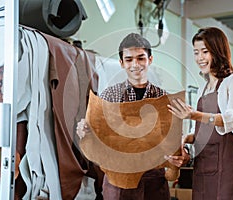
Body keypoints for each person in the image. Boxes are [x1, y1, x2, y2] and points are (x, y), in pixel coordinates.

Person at [76, 32, 189, 200]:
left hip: (154, 182)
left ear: (150, 60)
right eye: (129, 59)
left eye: (141, 58)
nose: (135, 64)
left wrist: (182, 154)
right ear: (122, 63)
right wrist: (84, 131)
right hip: (118, 180)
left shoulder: (164, 99)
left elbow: (174, 141)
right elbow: (97, 139)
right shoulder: (109, 96)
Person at [167, 27, 233, 199]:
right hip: (204, 163)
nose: (199, 58)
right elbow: (203, 131)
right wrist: (185, 139)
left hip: (228, 163)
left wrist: (195, 115)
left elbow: (231, 119)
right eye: (196, 52)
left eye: (205, 51)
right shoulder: (202, 89)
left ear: (218, 51)